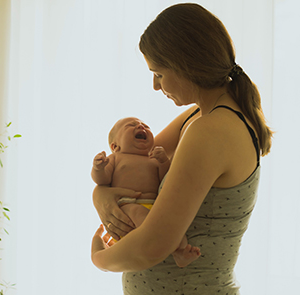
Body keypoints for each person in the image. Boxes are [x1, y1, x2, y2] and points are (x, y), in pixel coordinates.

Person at [91, 3, 273, 294]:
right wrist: (100, 193)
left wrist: (99, 259)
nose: (154, 85)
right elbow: (130, 162)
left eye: (159, 73)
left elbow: (152, 247)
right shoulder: (199, 117)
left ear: (186, 64)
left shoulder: (210, 130)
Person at [91, 117, 201, 267]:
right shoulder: (116, 158)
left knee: (175, 224)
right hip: (128, 207)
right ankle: (150, 237)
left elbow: (166, 180)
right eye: (131, 125)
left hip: (153, 207)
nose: (141, 127)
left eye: (145, 126)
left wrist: (163, 162)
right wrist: (99, 168)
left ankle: (179, 252)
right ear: (115, 146)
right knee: (139, 212)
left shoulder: (153, 160)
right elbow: (102, 181)